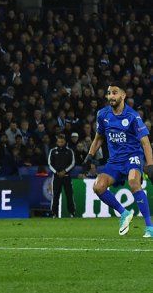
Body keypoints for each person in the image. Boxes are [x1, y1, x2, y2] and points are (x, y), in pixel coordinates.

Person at [83, 82, 153, 237]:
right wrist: (89, 156)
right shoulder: (102, 114)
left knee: (134, 182)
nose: (111, 96)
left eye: (114, 93)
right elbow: (99, 137)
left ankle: (149, 227)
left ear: (123, 95)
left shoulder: (132, 116)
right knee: (98, 186)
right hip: (114, 162)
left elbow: (145, 142)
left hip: (132, 157)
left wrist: (150, 165)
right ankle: (124, 213)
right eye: (109, 93)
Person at [48, 134, 76, 217]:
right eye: (59, 142)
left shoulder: (69, 151)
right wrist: (57, 172)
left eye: (62, 142)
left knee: (69, 195)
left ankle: (72, 212)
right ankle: (54, 213)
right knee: (55, 195)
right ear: (57, 142)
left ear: (65, 142)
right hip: (56, 177)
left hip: (67, 176)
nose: (60, 143)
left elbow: (73, 163)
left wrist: (65, 171)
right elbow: (50, 164)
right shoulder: (53, 151)